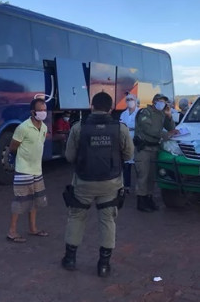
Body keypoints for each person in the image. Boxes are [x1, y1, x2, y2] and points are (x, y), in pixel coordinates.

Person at [61, 92, 133, 277]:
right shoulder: (120, 128)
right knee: (108, 220)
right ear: (110, 109)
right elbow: (128, 155)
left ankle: (70, 258)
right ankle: (104, 265)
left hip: (83, 182)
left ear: (92, 107)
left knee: (76, 217)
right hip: (110, 183)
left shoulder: (78, 127)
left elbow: (69, 156)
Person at [6, 98, 49, 243]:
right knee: (20, 201)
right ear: (32, 112)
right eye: (40, 110)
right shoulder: (23, 128)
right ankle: (12, 231)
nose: (43, 112)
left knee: (35, 201)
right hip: (23, 170)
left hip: (37, 171)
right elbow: (13, 147)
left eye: (44, 110)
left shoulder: (44, 128)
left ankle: (33, 228)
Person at [134, 93, 179, 212]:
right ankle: (141, 200)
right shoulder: (145, 112)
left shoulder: (162, 114)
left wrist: (169, 116)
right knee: (143, 175)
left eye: (164, 102)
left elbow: (171, 128)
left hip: (155, 149)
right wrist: (166, 135)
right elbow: (149, 129)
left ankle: (149, 198)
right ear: (154, 101)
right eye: (160, 101)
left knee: (152, 176)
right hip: (144, 149)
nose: (162, 104)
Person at [119, 94, 139, 193]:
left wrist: (129, 128)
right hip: (126, 141)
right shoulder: (123, 114)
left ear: (135, 101)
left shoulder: (140, 113)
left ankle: (140, 187)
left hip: (137, 142)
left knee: (138, 166)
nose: (130, 101)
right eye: (127, 99)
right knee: (127, 165)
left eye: (131, 99)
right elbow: (121, 126)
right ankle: (127, 186)